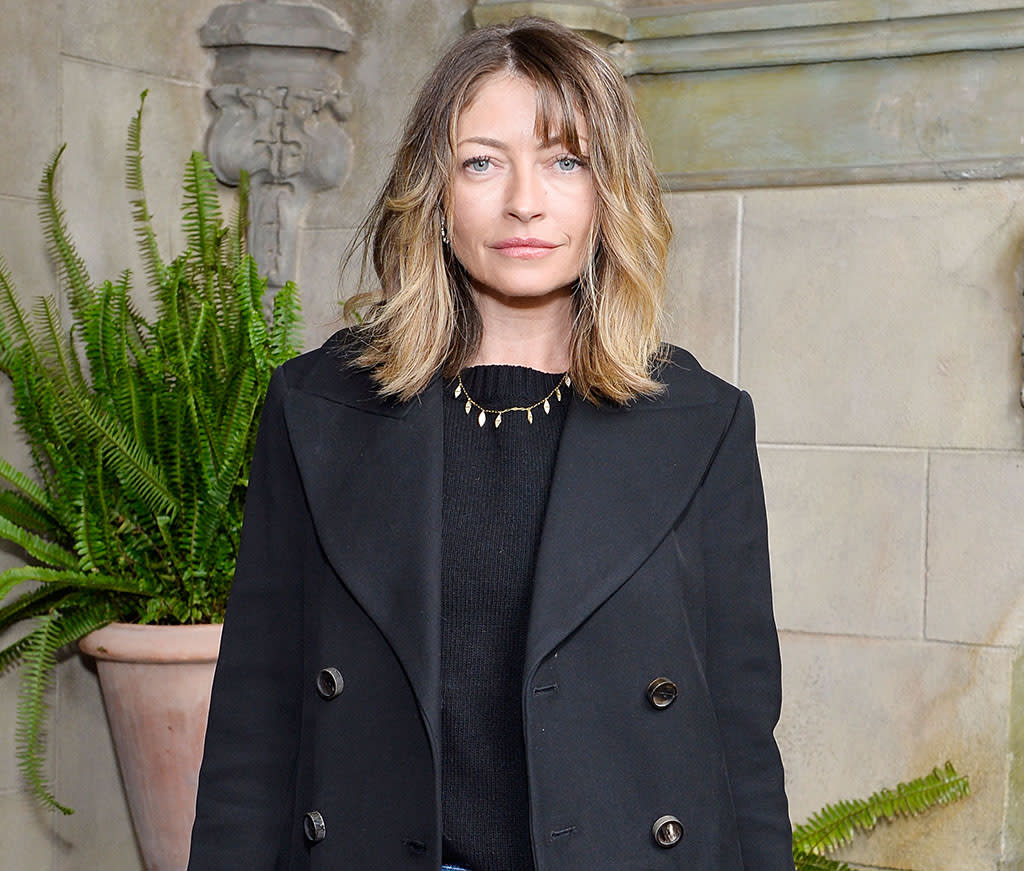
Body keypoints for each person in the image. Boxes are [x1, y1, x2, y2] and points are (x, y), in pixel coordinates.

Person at [187, 16, 792, 871]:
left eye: (564, 160)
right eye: (482, 160)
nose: (524, 200)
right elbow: (254, 721)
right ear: (433, 192)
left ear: (608, 191)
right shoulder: (313, 408)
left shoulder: (703, 423)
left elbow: (740, 739)